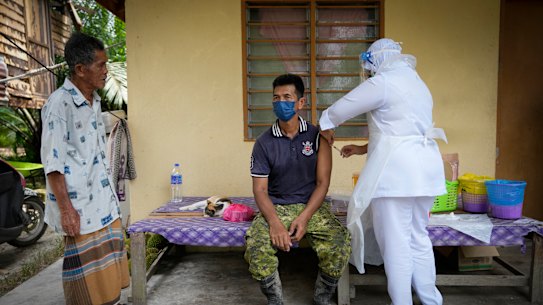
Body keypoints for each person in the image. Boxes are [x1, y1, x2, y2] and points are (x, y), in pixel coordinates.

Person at [319, 38, 447, 305]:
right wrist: (363, 148)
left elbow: (346, 105)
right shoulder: (418, 83)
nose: (369, 71)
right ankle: (431, 300)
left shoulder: (384, 82)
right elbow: (401, 128)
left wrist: (326, 122)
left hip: (396, 175)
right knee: (418, 237)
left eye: (370, 65)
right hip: (424, 170)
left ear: (376, 60)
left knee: (396, 243)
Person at [245, 74, 351, 305]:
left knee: (339, 243)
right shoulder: (264, 142)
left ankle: (322, 298)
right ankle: (275, 300)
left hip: (311, 206)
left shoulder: (317, 136)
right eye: (276, 98)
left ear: (300, 102)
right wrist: (274, 223)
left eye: (287, 97)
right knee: (256, 247)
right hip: (276, 206)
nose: (280, 103)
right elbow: (260, 191)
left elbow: (323, 183)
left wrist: (304, 218)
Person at [41, 32, 129, 305]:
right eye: (101, 65)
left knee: (110, 284)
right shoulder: (59, 104)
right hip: (80, 212)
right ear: (80, 69)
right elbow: (53, 165)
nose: (106, 71)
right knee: (87, 292)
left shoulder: (94, 100)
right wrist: (66, 210)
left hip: (104, 206)